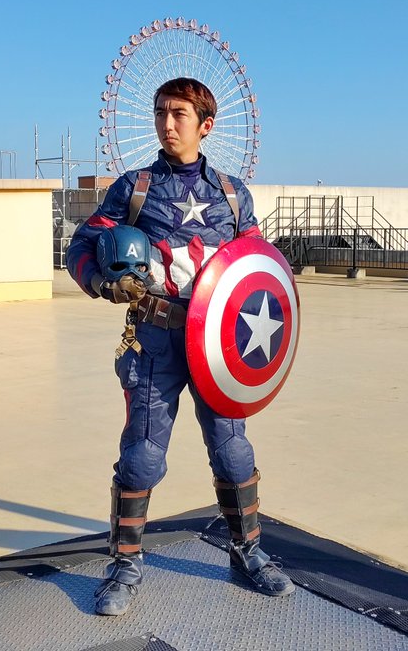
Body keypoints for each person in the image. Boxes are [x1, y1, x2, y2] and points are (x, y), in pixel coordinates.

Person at [66, 77, 295, 616]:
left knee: (233, 451)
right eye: (160, 112)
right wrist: (101, 282)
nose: (167, 124)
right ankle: (124, 563)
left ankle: (248, 551)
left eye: (179, 114)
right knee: (142, 456)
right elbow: (82, 246)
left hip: (220, 347)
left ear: (205, 125)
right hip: (156, 339)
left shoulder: (233, 195)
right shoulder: (134, 188)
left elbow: (257, 266)